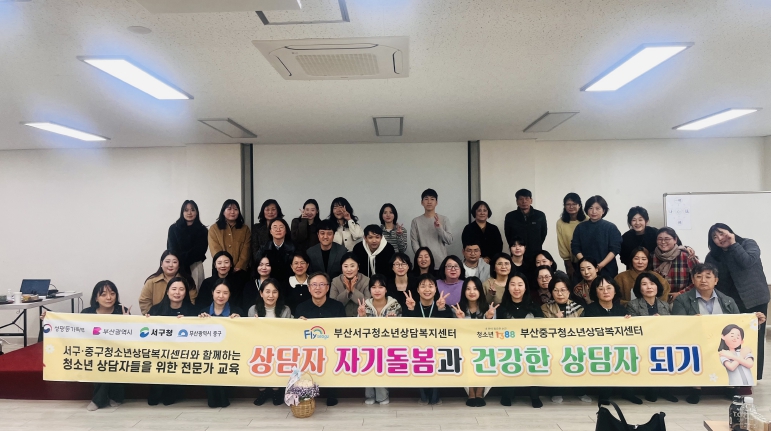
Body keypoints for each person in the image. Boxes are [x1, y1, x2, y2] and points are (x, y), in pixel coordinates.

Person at [672, 263, 766, 403]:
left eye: (708, 277)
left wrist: (754, 322)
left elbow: (739, 324)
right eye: (699, 276)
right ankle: (696, 388)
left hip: (722, 342)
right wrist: (691, 322)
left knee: (734, 348)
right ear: (692, 280)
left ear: (716, 280)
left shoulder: (728, 301)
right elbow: (676, 325)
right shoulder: (682, 299)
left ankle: (730, 387)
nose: (703, 280)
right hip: (696, 340)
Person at [706, 223, 770, 380]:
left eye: (722, 233)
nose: (720, 238)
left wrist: (734, 244)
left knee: (755, 337)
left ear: (730, 232)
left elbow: (747, 261)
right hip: (730, 302)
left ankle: (754, 375)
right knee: (732, 339)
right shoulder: (713, 256)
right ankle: (734, 374)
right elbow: (711, 277)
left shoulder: (748, 244)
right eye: (715, 237)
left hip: (755, 298)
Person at [295, 272, 347, 406]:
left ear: (328, 287)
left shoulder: (337, 306)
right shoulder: (301, 307)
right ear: (309, 288)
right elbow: (296, 334)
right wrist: (299, 324)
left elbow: (342, 330)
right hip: (309, 348)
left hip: (331, 348)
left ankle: (332, 393)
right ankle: (307, 394)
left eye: (321, 284)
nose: (317, 288)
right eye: (314, 285)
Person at [625, 273, 677, 403]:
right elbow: (634, 328)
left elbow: (672, 326)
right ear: (639, 288)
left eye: (652, 283)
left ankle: (665, 390)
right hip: (642, 344)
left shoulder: (665, 305)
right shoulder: (633, 305)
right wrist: (651, 322)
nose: (649, 287)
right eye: (644, 284)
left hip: (662, 342)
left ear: (657, 286)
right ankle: (650, 390)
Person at [146, 277, 197, 406]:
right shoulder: (155, 310)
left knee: (168, 400)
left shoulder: (193, 311)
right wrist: (146, 321)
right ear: (167, 291)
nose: (177, 292)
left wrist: (188, 322)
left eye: (181, 289)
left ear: (186, 292)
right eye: (174, 289)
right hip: (159, 355)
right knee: (152, 401)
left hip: (181, 356)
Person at [403, 274, 453, 405]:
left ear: (436, 289)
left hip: (438, 348)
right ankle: (424, 396)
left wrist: (441, 310)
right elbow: (407, 330)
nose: (427, 289)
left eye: (430, 286)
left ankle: (435, 396)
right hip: (416, 348)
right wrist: (411, 310)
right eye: (423, 286)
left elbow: (449, 329)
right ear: (418, 290)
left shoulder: (443, 307)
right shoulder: (412, 306)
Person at [496, 272, 544, 408]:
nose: (516, 288)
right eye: (512, 285)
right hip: (508, 347)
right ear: (508, 287)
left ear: (525, 287)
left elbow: (541, 329)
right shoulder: (501, 308)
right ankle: (507, 394)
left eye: (520, 285)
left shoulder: (534, 306)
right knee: (509, 360)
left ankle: (534, 395)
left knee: (533, 359)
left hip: (530, 347)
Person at [81, 280, 130, 411]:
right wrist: (49, 318)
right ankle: (108, 398)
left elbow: (130, 337)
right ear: (96, 298)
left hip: (119, 352)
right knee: (101, 360)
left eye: (112, 294)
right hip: (93, 352)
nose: (109, 297)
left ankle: (99, 399)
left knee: (111, 360)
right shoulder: (87, 313)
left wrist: (129, 322)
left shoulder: (122, 311)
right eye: (103, 294)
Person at [540, 273, 588, 404]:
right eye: (555, 290)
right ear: (551, 292)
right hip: (553, 346)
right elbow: (542, 329)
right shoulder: (544, 308)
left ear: (569, 291)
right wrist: (555, 321)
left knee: (579, 357)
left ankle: (580, 391)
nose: (559, 294)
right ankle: (556, 391)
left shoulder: (579, 309)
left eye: (563, 290)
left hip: (574, 345)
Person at [449, 277, 497, 407]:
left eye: (475, 289)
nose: (472, 292)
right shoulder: (457, 309)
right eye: (468, 289)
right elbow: (456, 334)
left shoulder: (489, 308)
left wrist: (488, 319)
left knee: (487, 354)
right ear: (463, 291)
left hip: (484, 345)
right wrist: (460, 321)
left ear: (480, 291)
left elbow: (492, 333)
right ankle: (471, 391)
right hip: (464, 346)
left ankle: (480, 391)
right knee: (464, 355)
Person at [357, 274, 402, 405]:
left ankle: (382, 396)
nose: (377, 290)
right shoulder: (364, 305)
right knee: (368, 364)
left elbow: (401, 328)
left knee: (381, 365)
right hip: (368, 345)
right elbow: (358, 329)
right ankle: (369, 395)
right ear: (369, 290)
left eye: (381, 287)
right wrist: (361, 316)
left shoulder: (395, 305)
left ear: (386, 289)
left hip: (388, 345)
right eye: (373, 287)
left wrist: (394, 321)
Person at [248, 278, 293, 406]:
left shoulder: (285, 310)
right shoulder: (253, 310)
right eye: (267, 292)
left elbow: (287, 331)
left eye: (274, 292)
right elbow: (249, 332)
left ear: (278, 294)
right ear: (261, 293)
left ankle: (276, 391)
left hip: (279, 345)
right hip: (259, 346)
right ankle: (262, 391)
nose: (271, 295)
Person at [199, 279, 241, 408]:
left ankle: (224, 396)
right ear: (212, 293)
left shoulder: (237, 312)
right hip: (208, 354)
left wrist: (240, 322)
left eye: (225, 293)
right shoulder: (202, 312)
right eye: (218, 292)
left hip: (228, 354)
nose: (221, 296)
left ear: (230, 294)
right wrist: (200, 321)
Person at [571, 195, 622, 277]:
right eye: (590, 208)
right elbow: (575, 247)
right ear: (586, 210)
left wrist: (601, 265)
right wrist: (586, 264)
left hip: (607, 269)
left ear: (603, 211)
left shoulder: (611, 227)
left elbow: (615, 249)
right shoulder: (580, 227)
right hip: (585, 270)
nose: (594, 211)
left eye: (598, 208)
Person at [167, 200, 208, 289]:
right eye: (186, 210)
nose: (189, 213)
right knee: (177, 291)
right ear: (182, 212)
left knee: (196, 291)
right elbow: (171, 248)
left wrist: (184, 259)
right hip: (177, 265)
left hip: (195, 265)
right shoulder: (173, 228)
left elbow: (200, 250)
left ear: (197, 212)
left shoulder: (203, 230)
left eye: (192, 210)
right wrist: (179, 261)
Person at [139, 250, 194, 315]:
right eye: (167, 261)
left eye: (174, 262)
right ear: (161, 264)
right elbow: (144, 301)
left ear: (179, 265)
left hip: (182, 317)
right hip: (157, 318)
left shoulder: (187, 281)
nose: (171, 265)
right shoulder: (151, 282)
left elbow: (192, 301)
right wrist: (152, 316)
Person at [410, 188, 453, 269]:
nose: (429, 202)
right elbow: (414, 242)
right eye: (426, 199)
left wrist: (439, 228)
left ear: (436, 202)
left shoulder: (444, 219)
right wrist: (422, 258)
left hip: (440, 263)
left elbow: (449, 240)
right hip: (423, 265)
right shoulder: (416, 221)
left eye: (432, 199)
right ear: (422, 202)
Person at [653, 227, 699, 301]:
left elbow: (698, 280)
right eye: (660, 239)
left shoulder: (687, 256)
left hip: (684, 299)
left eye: (667, 239)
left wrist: (680, 293)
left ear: (675, 240)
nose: (663, 242)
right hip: (658, 300)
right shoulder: (653, 256)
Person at [504, 189, 547, 265]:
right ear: (517, 201)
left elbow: (543, 233)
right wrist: (517, 246)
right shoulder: (510, 216)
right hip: (517, 254)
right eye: (521, 199)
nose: (524, 201)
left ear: (531, 200)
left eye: (527, 198)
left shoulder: (540, 215)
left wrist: (535, 245)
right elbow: (508, 235)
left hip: (535, 253)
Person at [208, 199, 251, 274]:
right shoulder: (214, 228)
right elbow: (214, 248)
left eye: (235, 209)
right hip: (220, 269)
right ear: (223, 212)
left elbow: (246, 249)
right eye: (229, 209)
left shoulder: (245, 229)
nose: (232, 212)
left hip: (240, 270)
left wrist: (240, 265)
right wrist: (223, 264)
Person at [556, 193, 586, 281]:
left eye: (574, 204)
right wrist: (568, 264)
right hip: (570, 262)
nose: (571, 207)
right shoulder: (560, 222)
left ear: (579, 205)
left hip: (587, 260)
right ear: (564, 206)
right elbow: (561, 244)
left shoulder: (587, 220)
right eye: (568, 204)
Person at [330, 253, 371, 317]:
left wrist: (353, 290)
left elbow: (367, 303)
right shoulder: (335, 281)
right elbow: (333, 304)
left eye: (352, 266)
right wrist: (347, 291)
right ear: (341, 267)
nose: (349, 269)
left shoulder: (366, 280)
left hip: (361, 318)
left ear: (358, 267)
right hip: (340, 318)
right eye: (345, 266)